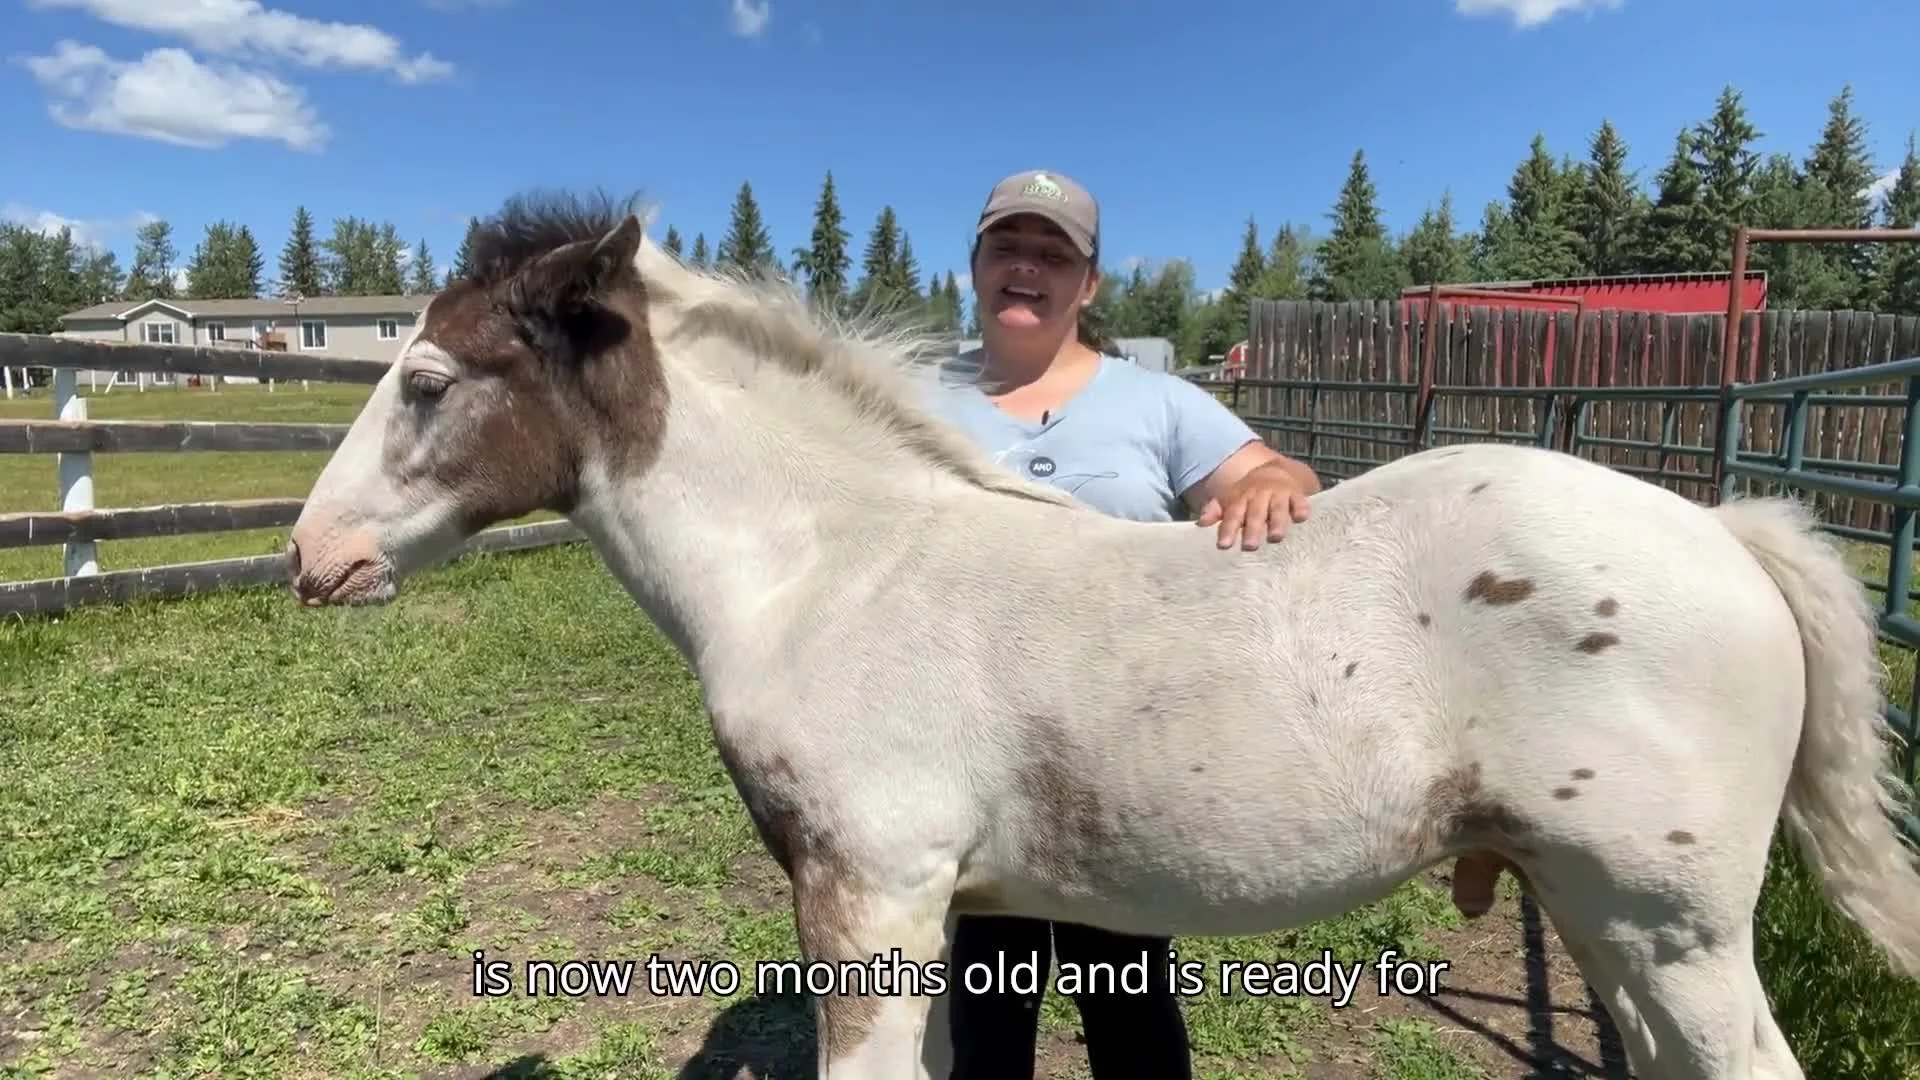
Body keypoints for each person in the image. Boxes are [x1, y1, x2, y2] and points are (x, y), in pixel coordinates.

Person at [922, 168, 1324, 1079]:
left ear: (1089, 284)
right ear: (975, 264)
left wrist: (1268, 482)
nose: (1028, 268)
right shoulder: (910, 397)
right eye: (1008, 247)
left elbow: (1281, 475)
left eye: (1053, 254)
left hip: (1113, 765)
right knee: (985, 1011)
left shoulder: (1156, 401)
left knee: (1129, 999)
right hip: (964, 762)